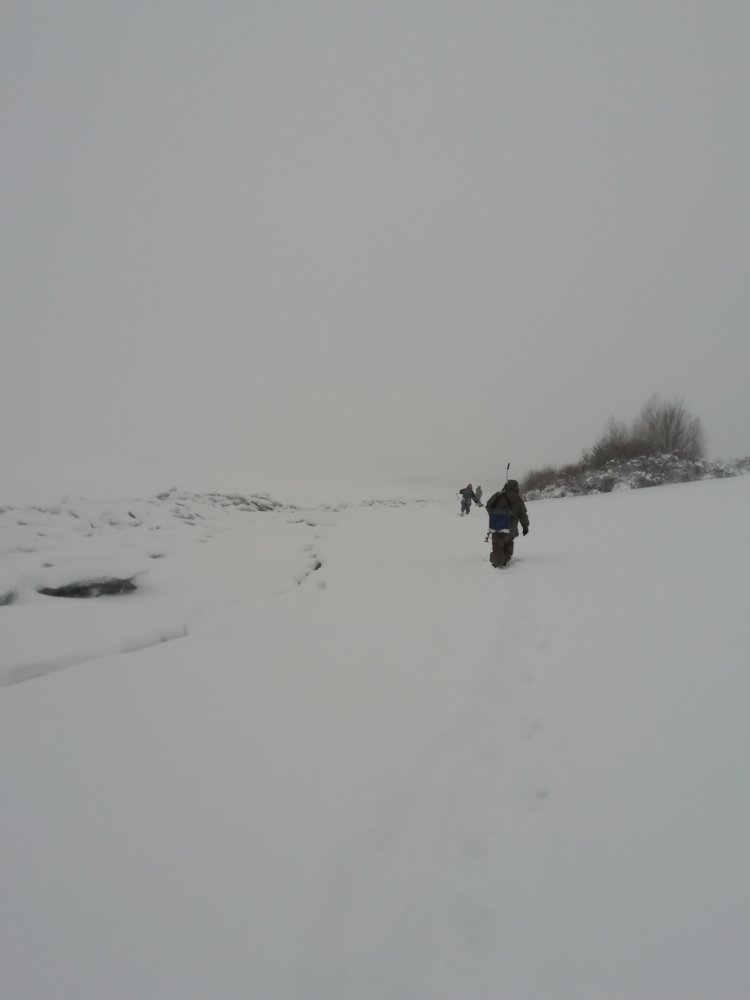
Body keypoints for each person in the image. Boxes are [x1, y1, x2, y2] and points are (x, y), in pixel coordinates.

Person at [484, 479, 530, 567]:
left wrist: (495, 515)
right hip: (510, 528)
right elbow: (523, 514)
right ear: (516, 487)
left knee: (497, 545)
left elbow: (488, 506)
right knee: (508, 542)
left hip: (496, 526)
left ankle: (497, 562)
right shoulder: (517, 498)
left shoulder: (498, 495)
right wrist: (525, 527)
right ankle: (504, 560)